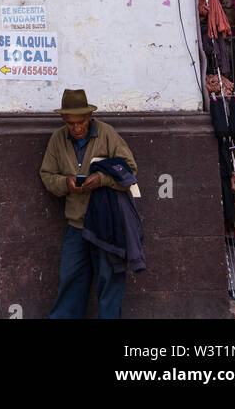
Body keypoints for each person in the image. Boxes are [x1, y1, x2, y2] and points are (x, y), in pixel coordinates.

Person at [39, 88, 137, 319]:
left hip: (106, 223)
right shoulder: (57, 139)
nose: (77, 128)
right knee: (71, 281)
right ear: (63, 120)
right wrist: (66, 183)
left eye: (81, 122)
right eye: (71, 123)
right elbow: (47, 174)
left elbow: (130, 170)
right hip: (76, 225)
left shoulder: (107, 134)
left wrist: (102, 179)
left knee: (109, 281)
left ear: (89, 117)